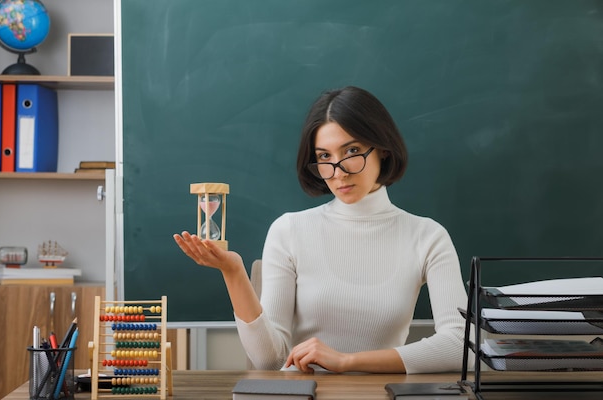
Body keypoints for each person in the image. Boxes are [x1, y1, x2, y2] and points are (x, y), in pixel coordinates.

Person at [174, 86, 469, 374]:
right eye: (324, 157)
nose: (338, 172)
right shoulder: (289, 230)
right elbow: (269, 360)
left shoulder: (427, 236)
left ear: (382, 149)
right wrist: (234, 273)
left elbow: (461, 345)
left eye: (351, 150)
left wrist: (348, 362)